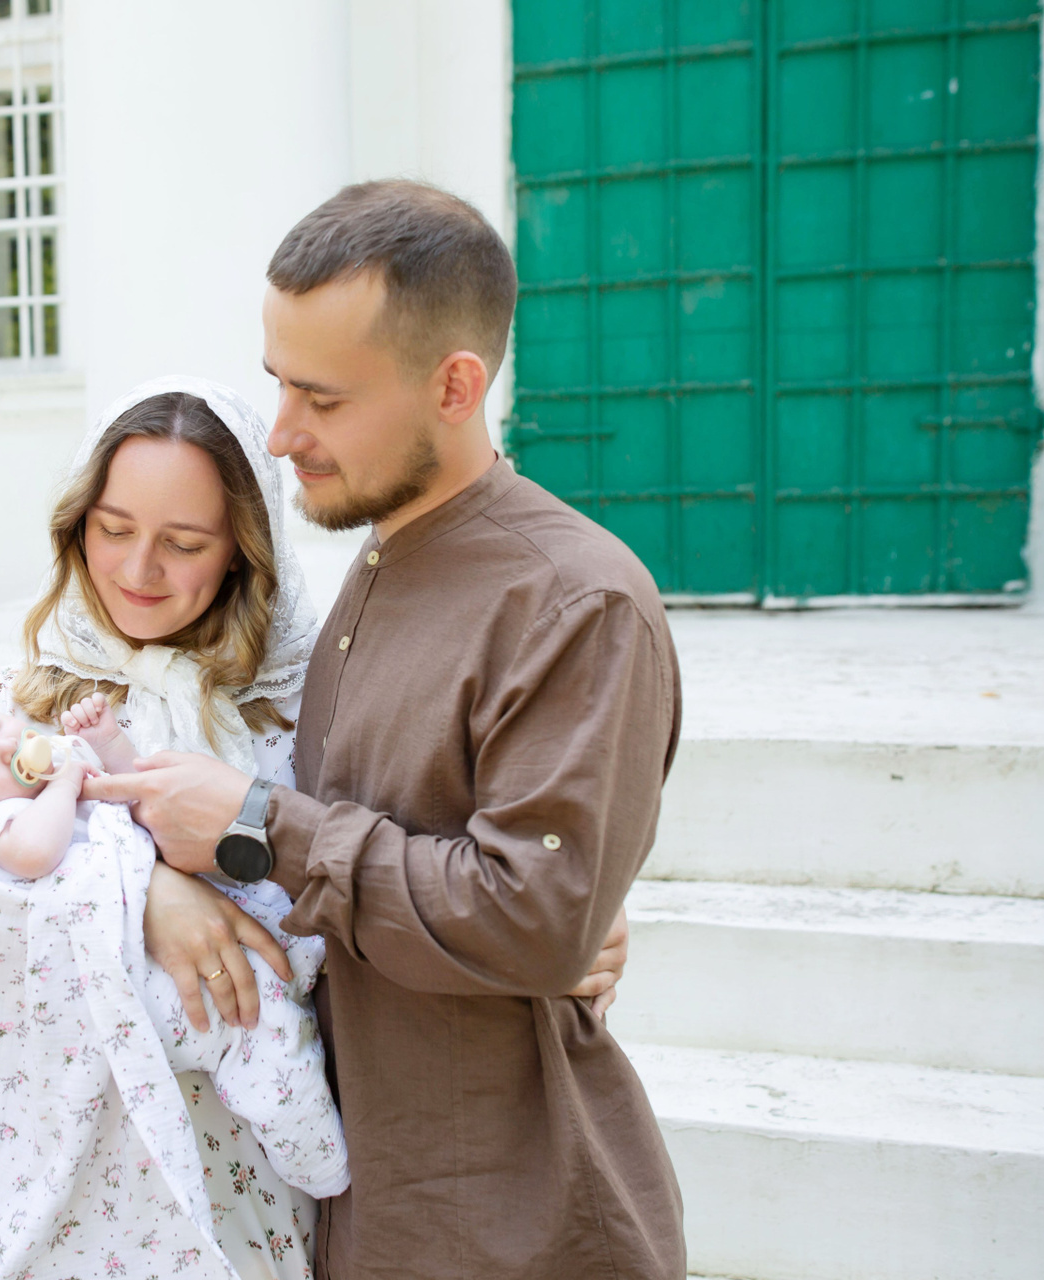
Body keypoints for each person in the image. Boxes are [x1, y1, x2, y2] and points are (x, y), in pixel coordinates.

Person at [0, 378, 631, 1280]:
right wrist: (142, 890)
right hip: (89, 1177)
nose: (138, 569)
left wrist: (573, 914)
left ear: (242, 551)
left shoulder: (320, 708)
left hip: (254, 1163)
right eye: (113, 529)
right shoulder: (9, 711)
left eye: (184, 543)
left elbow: (433, 853)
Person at [86, 181, 685, 1279]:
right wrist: (152, 889)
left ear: (455, 385)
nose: (281, 434)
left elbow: (533, 915)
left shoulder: (575, 602)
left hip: (517, 1228)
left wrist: (260, 826)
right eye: (279, 383)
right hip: (365, 1213)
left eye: (321, 398)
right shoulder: (369, 568)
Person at [0, 690, 349, 1203]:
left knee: (266, 961)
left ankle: (300, 966)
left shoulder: (48, 768)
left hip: (188, 914)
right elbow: (37, 854)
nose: (5, 747)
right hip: (143, 976)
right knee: (260, 1038)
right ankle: (317, 1160)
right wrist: (64, 785)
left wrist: (106, 744)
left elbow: (133, 795)